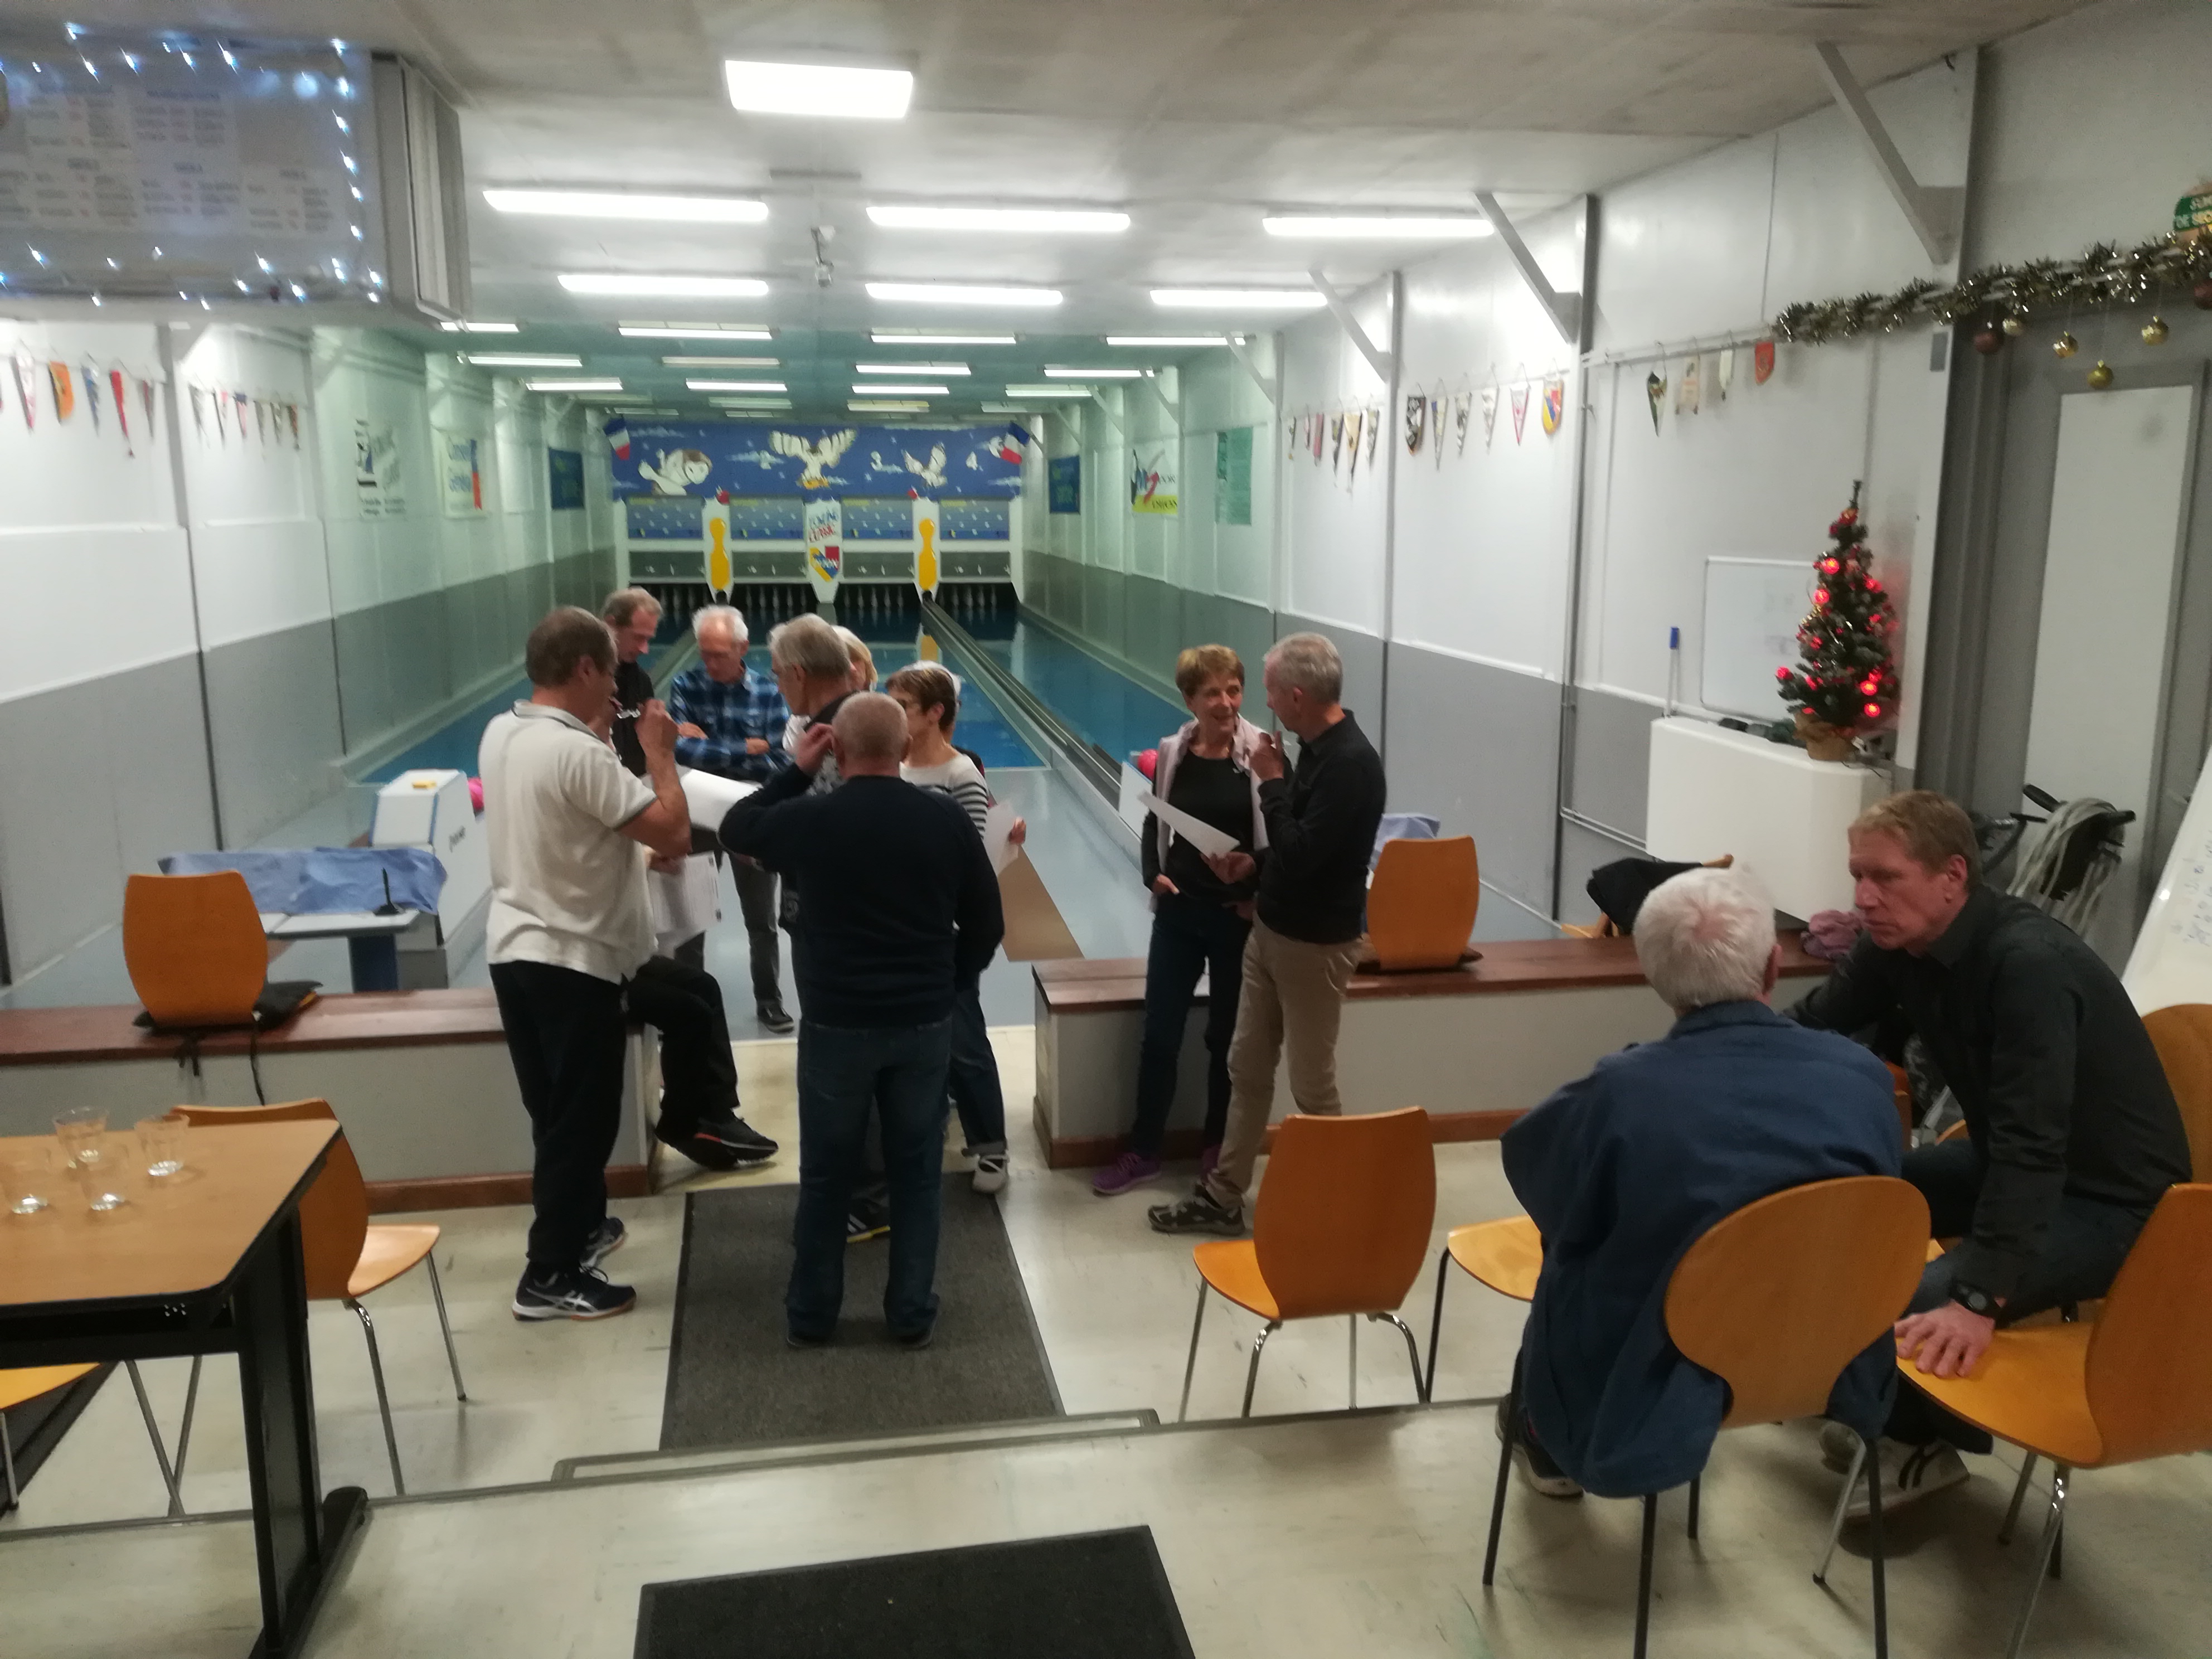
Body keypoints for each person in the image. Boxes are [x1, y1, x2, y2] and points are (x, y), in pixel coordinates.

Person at [1788, 790, 2192, 1516]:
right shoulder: (1896, 945)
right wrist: (1710, 1054)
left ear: (1952, 876)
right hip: (2007, 1162)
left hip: (2116, 1203)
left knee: (1925, 1303)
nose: (1864, 898)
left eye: (1885, 878)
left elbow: (2033, 1146)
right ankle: (1853, 1383)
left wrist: (1977, 1298)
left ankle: (1921, 1447)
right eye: (1858, 876)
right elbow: (1811, 1025)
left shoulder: (2028, 965)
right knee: (1843, 1196)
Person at [1497, 867, 1903, 1498]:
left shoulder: (1619, 1093)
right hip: (1822, 1354)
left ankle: (1544, 1442)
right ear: (1773, 967)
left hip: (1660, 1368)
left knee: (1569, 1253)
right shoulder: (1864, 1077)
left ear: (1654, 975)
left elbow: (1543, 1187)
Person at [721, 694, 1005, 1347]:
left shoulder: (809, 816)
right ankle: (909, 1315)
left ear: (838, 751)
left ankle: (811, 1317)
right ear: (904, 749)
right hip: (922, 1023)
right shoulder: (943, 818)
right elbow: (986, 921)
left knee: (827, 1174)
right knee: (916, 1174)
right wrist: (950, 984)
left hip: (836, 1025)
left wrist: (796, 770)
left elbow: (738, 826)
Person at [481, 607, 691, 1320]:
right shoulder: (578, 754)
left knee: (554, 1113)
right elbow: (673, 830)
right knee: (582, 1123)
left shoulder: (502, 731)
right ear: (583, 668)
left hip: (516, 950)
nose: (617, 689)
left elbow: (565, 827)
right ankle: (549, 1274)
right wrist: (658, 753)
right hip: (573, 962)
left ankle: (583, 1228)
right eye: (610, 674)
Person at [1149, 633, 1386, 1236]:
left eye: (1270, 692)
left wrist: (1271, 781)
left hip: (1315, 946)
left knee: (1311, 1085)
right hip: (1271, 932)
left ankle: (1339, 1208)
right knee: (1246, 1069)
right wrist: (1251, 867)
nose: (1263, 704)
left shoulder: (1350, 764)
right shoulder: (1317, 749)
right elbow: (1291, 849)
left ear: (1297, 696)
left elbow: (1303, 852)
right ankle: (1223, 1195)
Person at [1094, 644, 1267, 1197]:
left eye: (1233, 690)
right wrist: (1153, 875)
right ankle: (1144, 1150)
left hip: (1236, 919)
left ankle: (1216, 1148)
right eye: (1212, 693)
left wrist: (1256, 892)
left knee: (1225, 1041)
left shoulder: (1261, 752)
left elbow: (1278, 835)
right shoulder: (1174, 750)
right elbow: (1155, 819)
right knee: (1159, 1037)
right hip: (1178, 916)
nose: (1226, 703)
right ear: (1189, 699)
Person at [885, 663, 1025, 1196]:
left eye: (903, 706)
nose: (894, 713)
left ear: (934, 713)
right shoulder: (893, 767)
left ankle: (991, 1147)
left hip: (943, 930)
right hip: (900, 927)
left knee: (964, 1042)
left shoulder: (961, 774)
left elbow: (969, 860)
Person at [665, 604, 794, 1034]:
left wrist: (711, 746)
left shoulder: (770, 692)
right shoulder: (685, 685)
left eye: (718, 654)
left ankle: (769, 1000)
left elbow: (778, 760)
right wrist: (745, 748)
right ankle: (689, 1002)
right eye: (704, 653)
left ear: (742, 648)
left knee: (761, 918)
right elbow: (680, 749)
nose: (709, 662)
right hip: (699, 815)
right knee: (691, 914)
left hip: (752, 814)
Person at [600, 586, 663, 776]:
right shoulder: (581, 683)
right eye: (638, 637)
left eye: (648, 639)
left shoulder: (641, 681)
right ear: (611, 625)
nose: (645, 649)